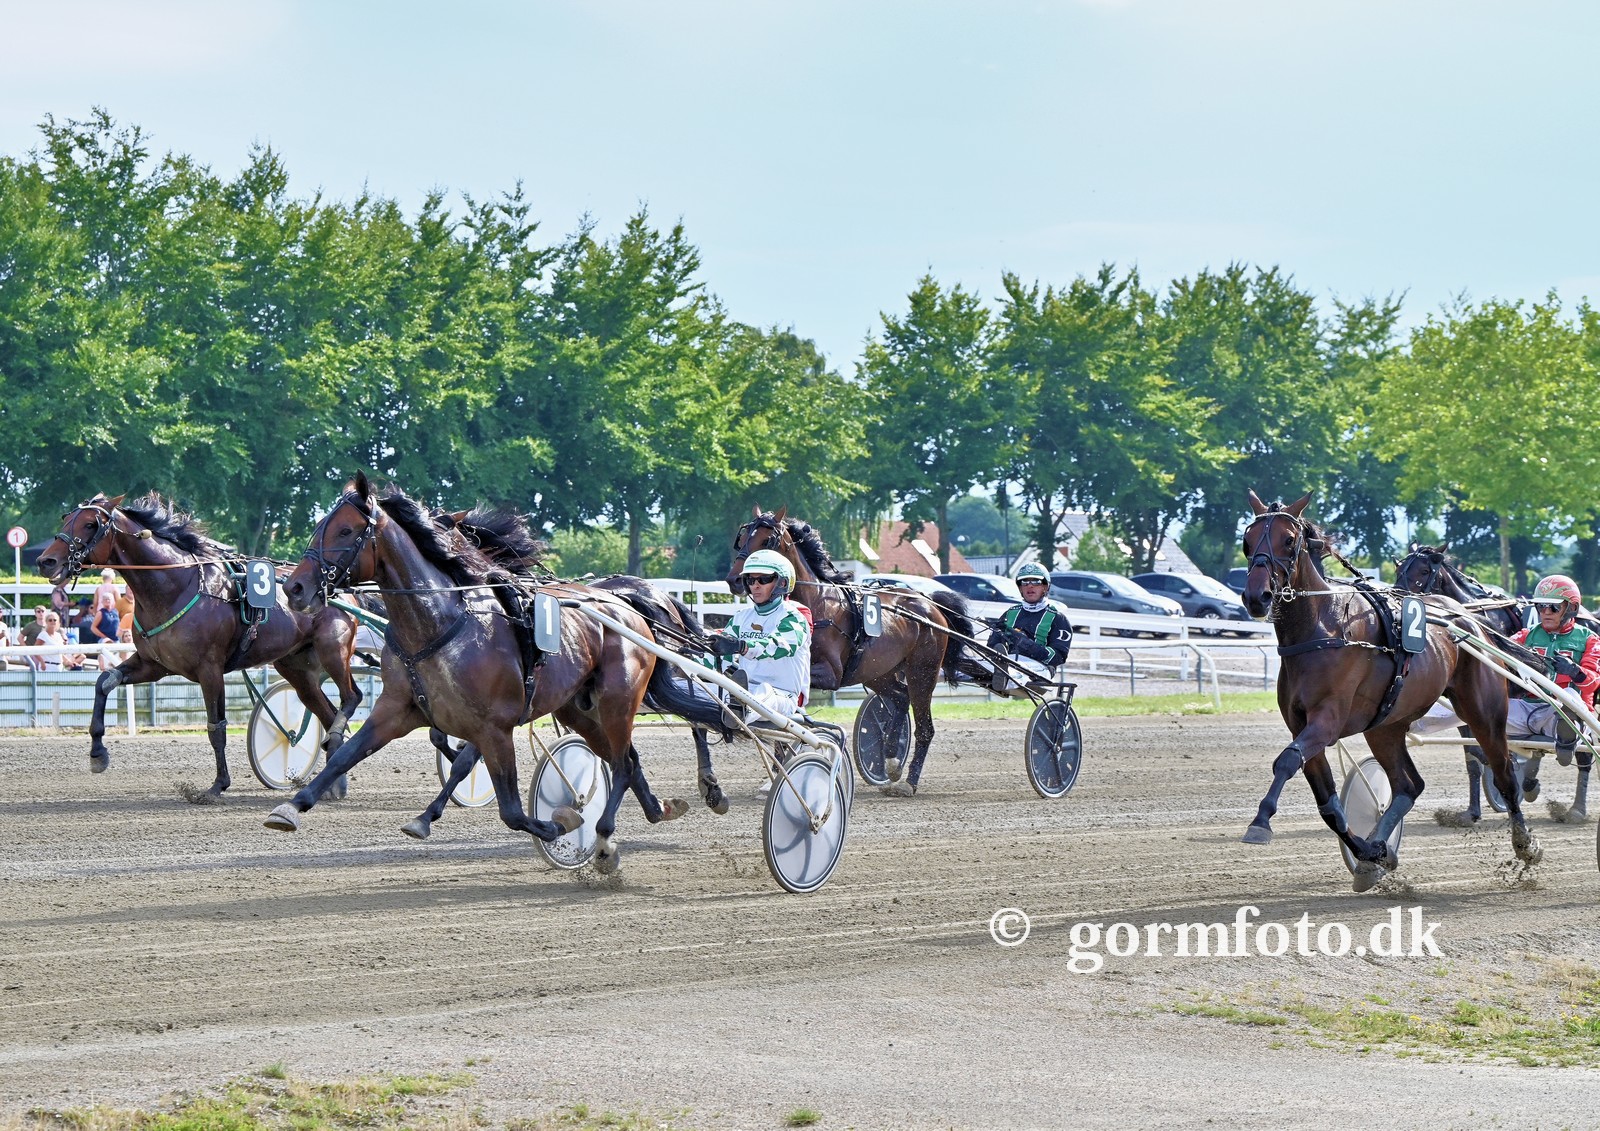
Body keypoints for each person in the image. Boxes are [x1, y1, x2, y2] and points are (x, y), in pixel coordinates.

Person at [1510, 574, 1599, 820]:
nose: (1545, 612)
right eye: (1540, 606)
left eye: (1553, 607)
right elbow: (1498, 651)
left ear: (1571, 608)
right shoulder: (1526, 635)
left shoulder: (1589, 639)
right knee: (1488, 705)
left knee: (1568, 696)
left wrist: (1575, 671)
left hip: (1569, 709)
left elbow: (1593, 682)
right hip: (1529, 709)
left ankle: (1578, 803)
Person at [708, 548, 813, 725]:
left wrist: (742, 646)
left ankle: (741, 713)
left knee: (765, 691)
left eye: (764, 579)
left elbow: (778, 646)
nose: (755, 585)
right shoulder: (741, 617)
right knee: (697, 687)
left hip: (782, 697)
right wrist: (694, 655)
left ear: (782, 583)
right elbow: (721, 654)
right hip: (743, 692)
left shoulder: (793, 617)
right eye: (750, 580)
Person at [984, 562, 1074, 695]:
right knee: (979, 662)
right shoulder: (1010, 613)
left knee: (1014, 668)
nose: (1030, 586)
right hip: (1009, 661)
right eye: (1025, 582)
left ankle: (1005, 675)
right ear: (1020, 588)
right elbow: (992, 647)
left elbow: (1057, 657)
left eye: (1036, 582)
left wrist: (1025, 643)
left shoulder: (1058, 618)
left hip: (1040, 669)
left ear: (1045, 587)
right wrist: (999, 637)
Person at [89, 590, 120, 671]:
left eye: (109, 599)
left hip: (116, 640)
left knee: (117, 662)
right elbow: (93, 627)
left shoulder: (115, 612)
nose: (107, 600)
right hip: (105, 640)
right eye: (105, 599)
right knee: (105, 662)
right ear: (102, 601)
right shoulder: (100, 613)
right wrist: (104, 637)